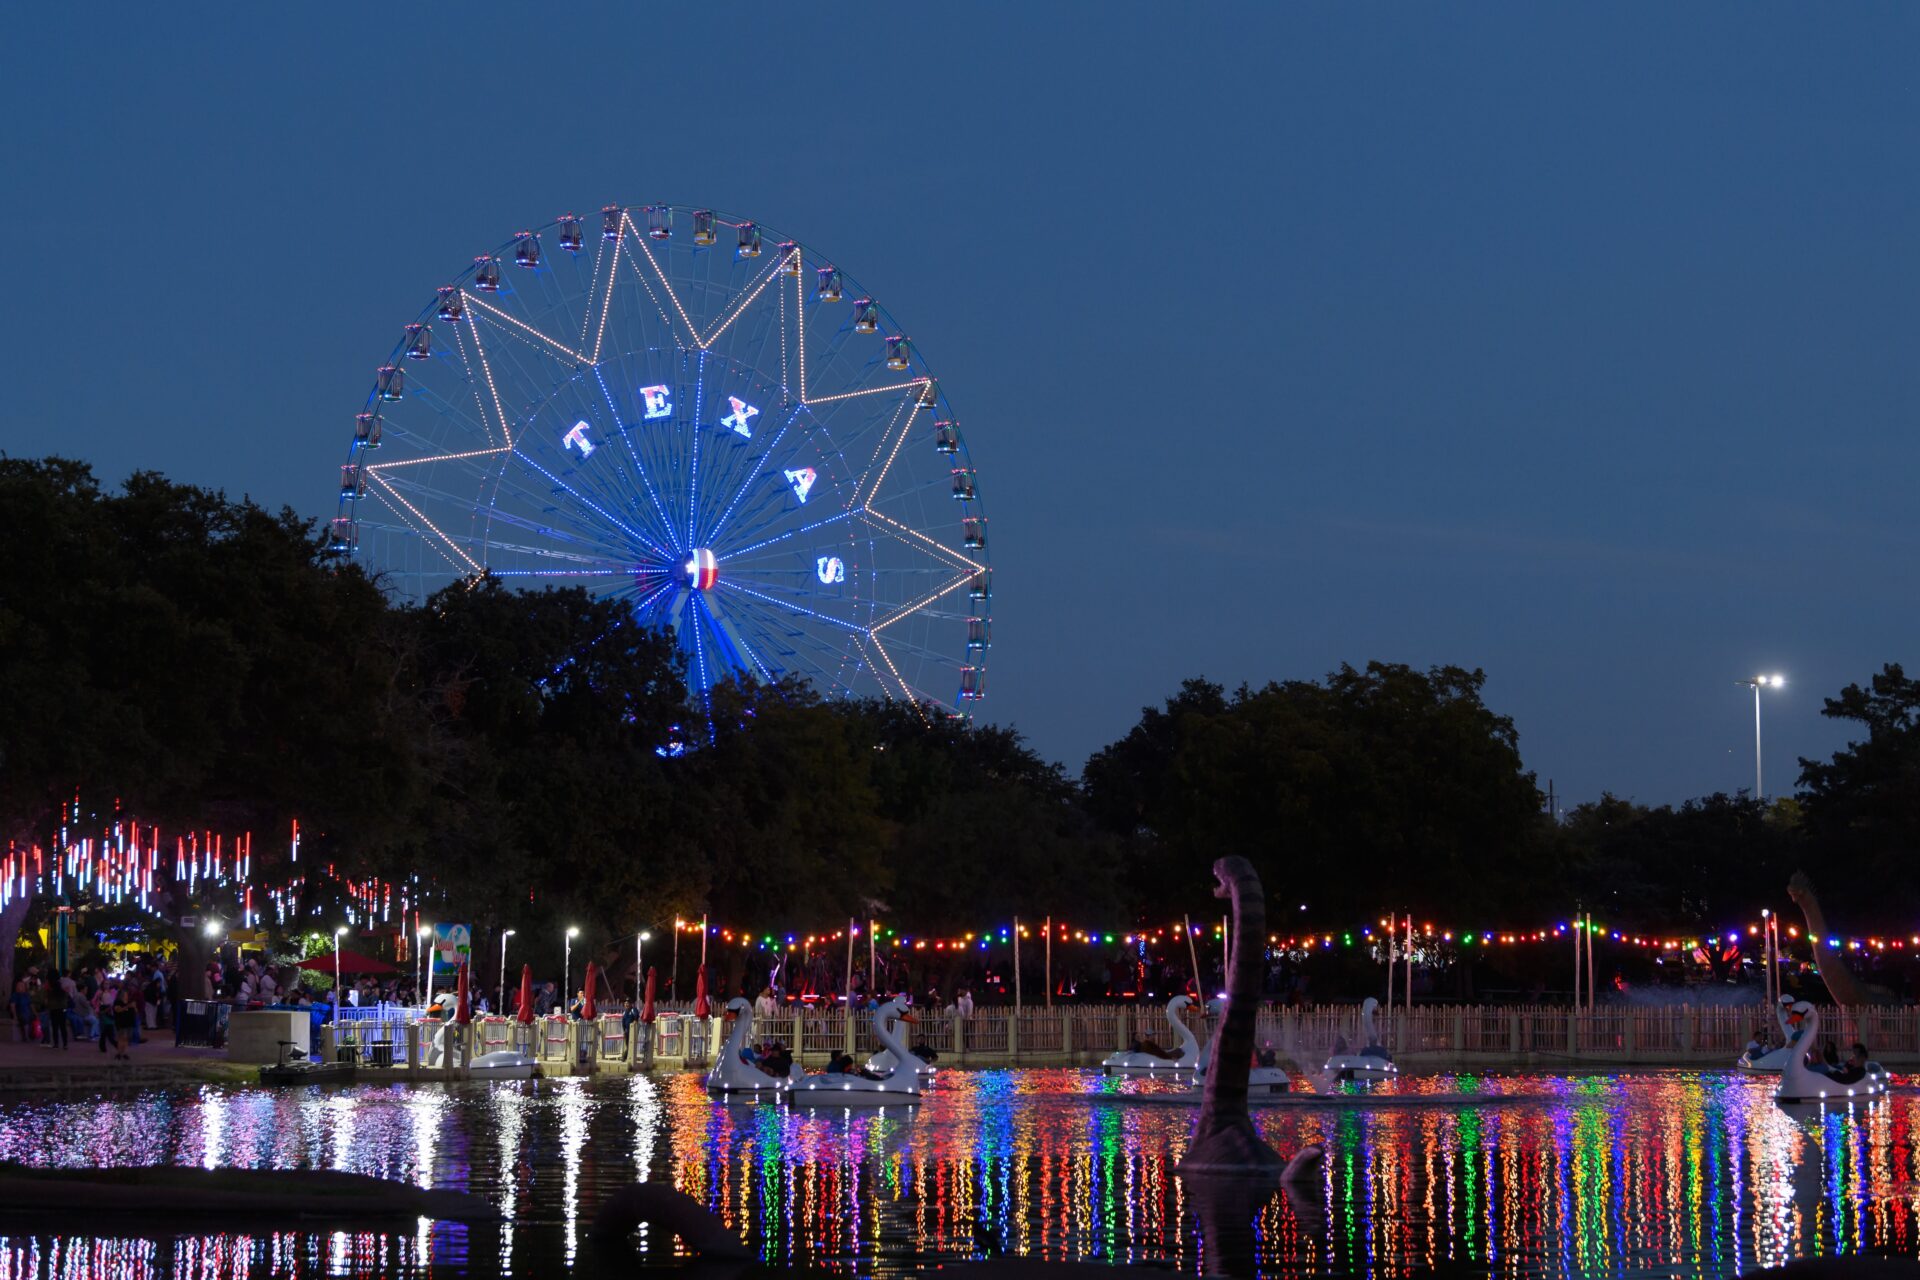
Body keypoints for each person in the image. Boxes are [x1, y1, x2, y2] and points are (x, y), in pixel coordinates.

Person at [39, 975, 69, 1050]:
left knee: (55, 1027)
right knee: (63, 1028)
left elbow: (46, 1003)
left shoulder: (50, 993)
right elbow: (66, 1002)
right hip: (62, 1011)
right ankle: (65, 1044)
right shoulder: (63, 993)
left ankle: (56, 1043)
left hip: (54, 1011)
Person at [111, 987, 137, 1061]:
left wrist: (134, 1007)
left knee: (126, 1038)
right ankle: (119, 1053)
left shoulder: (130, 1001)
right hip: (121, 1023)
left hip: (129, 1022)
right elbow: (117, 1010)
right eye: (125, 994)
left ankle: (124, 1052)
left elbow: (135, 1011)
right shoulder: (118, 1002)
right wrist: (127, 1006)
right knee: (121, 1038)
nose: (126, 996)